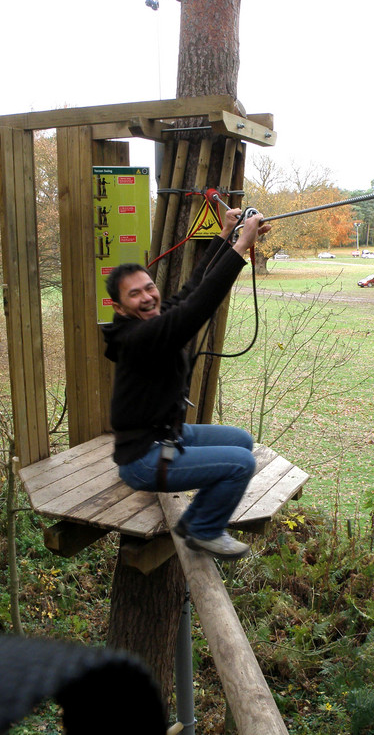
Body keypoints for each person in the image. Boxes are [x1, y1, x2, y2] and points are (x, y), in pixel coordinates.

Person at [102, 208, 271, 561]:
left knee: (241, 440)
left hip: (167, 435)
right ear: (119, 308)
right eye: (135, 295)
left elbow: (193, 288)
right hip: (144, 458)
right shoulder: (141, 337)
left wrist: (224, 235)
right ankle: (203, 529)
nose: (148, 297)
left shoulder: (153, 320)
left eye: (149, 287)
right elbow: (198, 306)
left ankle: (196, 521)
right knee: (241, 464)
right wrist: (241, 245)